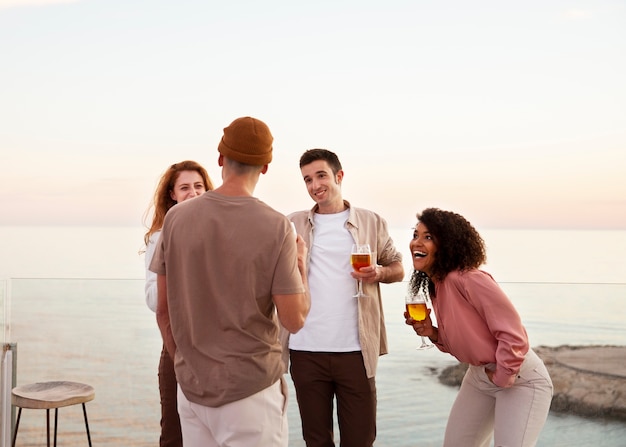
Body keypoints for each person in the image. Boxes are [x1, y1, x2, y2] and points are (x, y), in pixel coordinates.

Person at [149, 116, 310, 447]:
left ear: (220, 159)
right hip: (251, 393)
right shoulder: (277, 227)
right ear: (265, 166)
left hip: (192, 391)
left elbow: (163, 310)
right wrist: (302, 267)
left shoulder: (175, 220)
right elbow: (294, 320)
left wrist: (185, 365)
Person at [404, 207, 553, 447]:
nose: (416, 243)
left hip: (520, 378)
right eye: (415, 235)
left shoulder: (468, 279)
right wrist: (432, 332)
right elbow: (465, 344)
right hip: (479, 376)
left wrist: (502, 377)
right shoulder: (437, 285)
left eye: (428, 237)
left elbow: (514, 335)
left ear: (447, 244)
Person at [287, 148, 404, 447]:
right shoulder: (292, 224)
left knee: (361, 440)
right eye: (307, 179)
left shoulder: (370, 221)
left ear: (339, 176)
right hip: (305, 350)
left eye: (321, 175)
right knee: (316, 441)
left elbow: (398, 267)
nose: (315, 185)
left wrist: (378, 273)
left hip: (356, 351)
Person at [143, 160, 214, 447]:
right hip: (176, 347)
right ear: (172, 194)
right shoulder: (159, 238)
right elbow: (151, 298)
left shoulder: (217, 233)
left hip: (218, 350)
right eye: (185, 187)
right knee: (173, 434)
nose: (193, 193)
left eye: (199, 186)